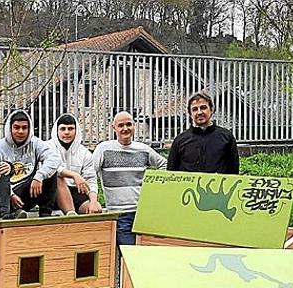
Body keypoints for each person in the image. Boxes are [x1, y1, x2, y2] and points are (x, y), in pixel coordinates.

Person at [92, 111, 167, 247]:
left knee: (146, 253)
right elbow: (90, 174)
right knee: (127, 253)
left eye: (128, 124)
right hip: (119, 214)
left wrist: (154, 188)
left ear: (134, 126)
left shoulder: (143, 149)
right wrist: (93, 199)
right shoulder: (103, 149)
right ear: (113, 127)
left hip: (143, 212)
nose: (125, 128)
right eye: (121, 125)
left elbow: (164, 165)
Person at [0, 110, 76, 217]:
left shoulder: (35, 143)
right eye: (16, 127)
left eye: (24, 128)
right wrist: (10, 194)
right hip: (4, 198)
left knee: (51, 172)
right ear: (9, 128)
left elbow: (54, 159)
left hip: (27, 192)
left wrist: (39, 176)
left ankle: (45, 214)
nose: (20, 131)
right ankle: (13, 214)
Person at [167, 92, 239, 174]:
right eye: (194, 109)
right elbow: (171, 173)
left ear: (211, 110)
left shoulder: (226, 137)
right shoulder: (180, 140)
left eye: (203, 107)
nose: (199, 112)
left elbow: (234, 171)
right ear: (190, 114)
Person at [46, 114, 103, 214]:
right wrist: (74, 175)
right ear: (57, 131)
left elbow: (91, 180)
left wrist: (93, 202)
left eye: (70, 129)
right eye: (63, 129)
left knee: (96, 208)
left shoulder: (85, 153)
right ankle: (71, 214)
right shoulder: (47, 147)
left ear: (76, 131)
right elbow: (52, 168)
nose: (67, 132)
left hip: (76, 193)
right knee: (58, 176)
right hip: (52, 193)